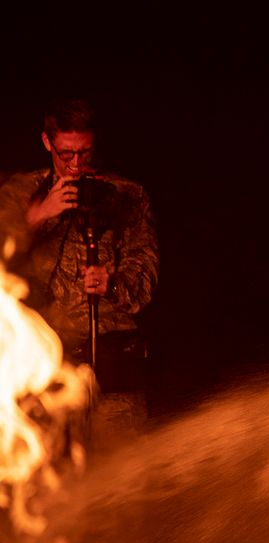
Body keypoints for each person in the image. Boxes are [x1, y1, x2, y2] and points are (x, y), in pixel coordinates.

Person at [0, 97, 159, 453]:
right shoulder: (21, 193)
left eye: (84, 154)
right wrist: (39, 215)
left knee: (122, 487)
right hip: (47, 372)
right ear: (47, 143)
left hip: (114, 373)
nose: (75, 164)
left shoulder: (127, 196)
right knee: (52, 489)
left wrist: (112, 282)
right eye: (66, 154)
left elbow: (145, 275)